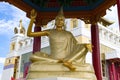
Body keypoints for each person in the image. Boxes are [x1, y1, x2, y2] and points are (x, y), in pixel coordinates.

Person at [27, 9, 92, 71]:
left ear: (64, 22)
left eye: (61, 20)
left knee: (84, 47)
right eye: (57, 19)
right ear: (55, 22)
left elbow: (76, 45)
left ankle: (67, 61)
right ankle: (59, 61)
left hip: (67, 57)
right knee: (32, 57)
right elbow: (29, 34)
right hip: (52, 57)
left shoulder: (68, 34)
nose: (59, 21)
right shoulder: (49, 32)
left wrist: (86, 45)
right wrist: (32, 19)